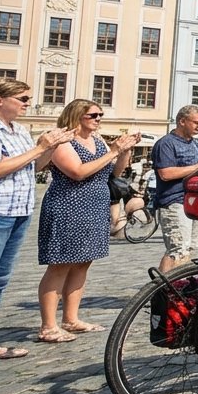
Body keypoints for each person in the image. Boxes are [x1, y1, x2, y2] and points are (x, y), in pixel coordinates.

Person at [36, 100, 139, 343]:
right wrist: (113, 152)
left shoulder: (99, 140)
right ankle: (48, 325)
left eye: (100, 114)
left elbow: (114, 173)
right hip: (68, 205)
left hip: (94, 206)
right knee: (60, 263)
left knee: (83, 262)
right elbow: (78, 171)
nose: (98, 118)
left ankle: (71, 318)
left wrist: (123, 152)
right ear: (76, 116)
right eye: (93, 114)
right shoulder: (64, 141)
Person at [0, 81, 72, 358]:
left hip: (20, 210)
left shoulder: (19, 131)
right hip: (0, 209)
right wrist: (37, 148)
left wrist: (50, 148)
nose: (28, 102)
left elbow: (34, 167)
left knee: (1, 278)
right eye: (22, 98)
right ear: (0, 100)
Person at [149, 106, 198, 274]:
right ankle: (162, 291)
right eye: (196, 122)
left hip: (195, 201)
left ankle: (179, 287)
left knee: (189, 248)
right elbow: (166, 174)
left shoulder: (195, 144)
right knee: (177, 249)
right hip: (174, 201)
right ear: (182, 121)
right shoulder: (166, 143)